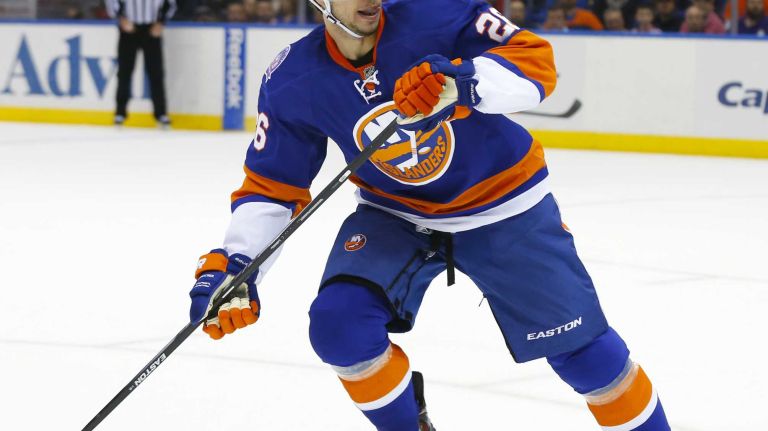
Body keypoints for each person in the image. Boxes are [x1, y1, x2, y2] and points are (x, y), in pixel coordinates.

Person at [187, 1, 672, 430]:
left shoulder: (436, 13)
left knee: (588, 359)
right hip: (395, 215)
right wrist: (238, 264)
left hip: (504, 204)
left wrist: (463, 84)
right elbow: (274, 186)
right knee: (339, 327)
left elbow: (536, 63)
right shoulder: (294, 78)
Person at [106, 0, 176, 127]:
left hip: (152, 29)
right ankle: (120, 112)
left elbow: (170, 4)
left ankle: (160, 113)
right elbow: (112, 2)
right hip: (129, 30)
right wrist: (121, 19)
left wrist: (161, 22)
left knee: (156, 74)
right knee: (124, 72)